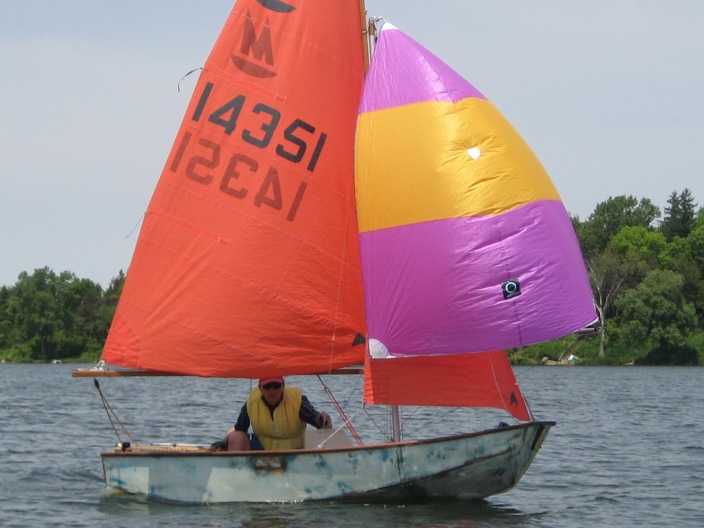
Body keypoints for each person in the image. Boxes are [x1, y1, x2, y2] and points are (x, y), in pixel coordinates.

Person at [212, 376, 332, 451]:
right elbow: (239, 429)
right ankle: (236, 480)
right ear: (260, 388)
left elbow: (320, 423)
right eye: (267, 386)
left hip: (295, 454)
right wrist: (223, 444)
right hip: (262, 453)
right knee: (236, 437)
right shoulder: (252, 402)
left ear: (283, 385)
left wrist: (324, 420)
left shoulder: (298, 401)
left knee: (322, 437)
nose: (272, 391)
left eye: (276, 386)